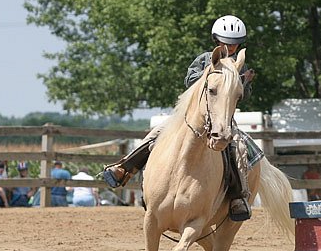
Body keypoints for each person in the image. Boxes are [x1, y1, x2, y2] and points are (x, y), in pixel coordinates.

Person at [101, 14, 257, 221]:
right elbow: (189, 80)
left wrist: (243, 83)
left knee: (238, 147)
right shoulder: (205, 59)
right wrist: (208, 75)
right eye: (225, 43)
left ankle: (238, 196)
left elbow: (242, 96)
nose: (230, 47)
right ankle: (125, 168)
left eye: (234, 44)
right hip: (192, 116)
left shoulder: (240, 66)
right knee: (158, 133)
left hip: (223, 119)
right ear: (216, 41)